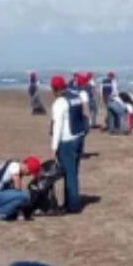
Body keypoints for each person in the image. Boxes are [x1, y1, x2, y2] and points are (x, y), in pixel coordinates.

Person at [48, 75, 86, 213]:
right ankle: (69, 202)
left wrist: (53, 148)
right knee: (73, 172)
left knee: (69, 174)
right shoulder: (75, 97)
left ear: (55, 88)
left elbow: (57, 127)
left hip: (67, 142)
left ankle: (73, 205)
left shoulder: (59, 103)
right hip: (79, 138)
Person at [0, 156, 38, 221]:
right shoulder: (15, 166)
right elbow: (17, 188)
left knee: (20, 199)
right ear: (27, 167)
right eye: (30, 172)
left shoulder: (12, 164)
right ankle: (0, 213)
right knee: (25, 195)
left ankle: (2, 215)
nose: (29, 174)